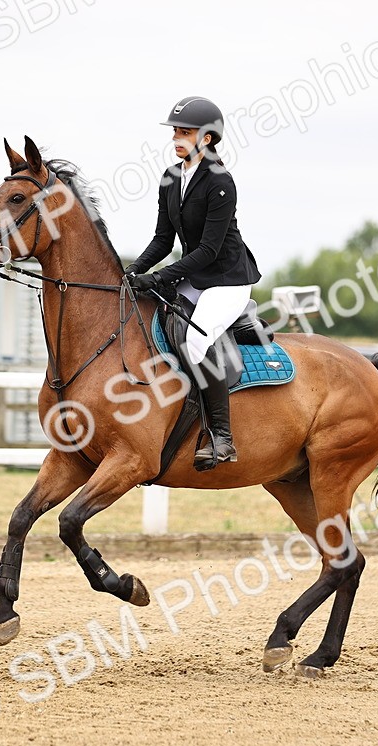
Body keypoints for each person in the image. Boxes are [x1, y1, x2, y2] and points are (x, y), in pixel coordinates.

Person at [126, 96, 262, 470]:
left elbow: (208, 250)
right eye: (175, 132)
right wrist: (133, 272)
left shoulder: (220, 182)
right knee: (155, 316)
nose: (176, 138)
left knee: (196, 339)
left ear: (207, 138)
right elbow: (162, 240)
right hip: (196, 276)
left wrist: (159, 277)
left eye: (184, 132)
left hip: (227, 279)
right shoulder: (171, 177)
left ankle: (223, 438)